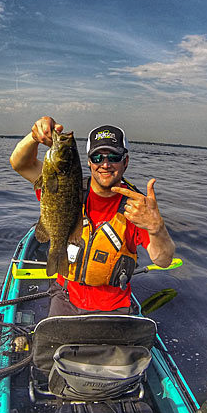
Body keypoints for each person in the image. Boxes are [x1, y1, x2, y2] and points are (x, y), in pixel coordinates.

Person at [10, 116, 175, 316]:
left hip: (115, 307)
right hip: (66, 297)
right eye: (97, 158)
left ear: (126, 161)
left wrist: (157, 228)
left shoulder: (137, 208)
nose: (105, 164)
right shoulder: (66, 183)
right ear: (89, 162)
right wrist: (34, 137)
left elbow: (163, 260)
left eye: (113, 157)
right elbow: (19, 163)